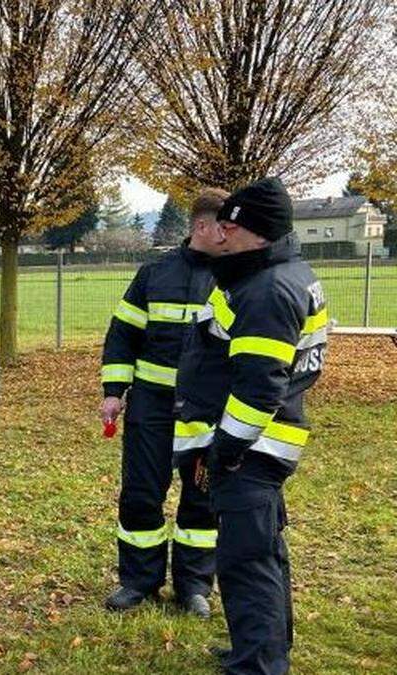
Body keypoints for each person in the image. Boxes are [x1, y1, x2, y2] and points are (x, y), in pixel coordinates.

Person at [173, 177, 326, 674]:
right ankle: (261, 649)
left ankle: (258, 665)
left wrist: (226, 450)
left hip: (252, 450)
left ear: (253, 232)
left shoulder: (267, 290)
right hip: (263, 446)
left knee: (246, 562)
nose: (220, 236)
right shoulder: (275, 275)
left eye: (228, 227)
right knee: (263, 552)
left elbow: (260, 388)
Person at [99, 188, 229, 617]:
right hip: (151, 408)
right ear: (201, 226)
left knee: (201, 496)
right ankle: (139, 581)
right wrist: (113, 393)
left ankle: (194, 586)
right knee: (140, 494)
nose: (230, 235)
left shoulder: (234, 279)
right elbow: (122, 336)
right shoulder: (154, 274)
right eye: (223, 227)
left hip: (206, 412)